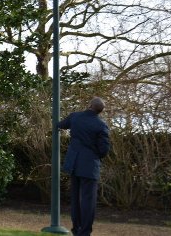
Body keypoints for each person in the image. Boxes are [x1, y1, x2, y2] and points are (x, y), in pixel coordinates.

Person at [58, 97, 110, 236]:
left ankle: (76, 229)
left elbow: (61, 125)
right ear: (100, 111)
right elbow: (104, 150)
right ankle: (85, 232)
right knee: (88, 200)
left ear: (89, 105)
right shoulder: (101, 125)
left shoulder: (75, 117)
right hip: (90, 166)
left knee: (75, 199)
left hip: (74, 164)